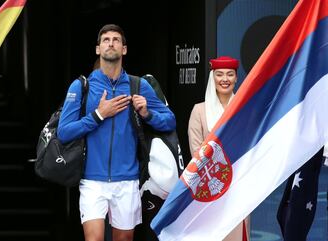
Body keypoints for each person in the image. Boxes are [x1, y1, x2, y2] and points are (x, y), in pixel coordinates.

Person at [57, 24, 176, 241]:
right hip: (92, 180)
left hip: (127, 180)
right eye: (105, 40)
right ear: (97, 49)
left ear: (124, 49)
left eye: (116, 40)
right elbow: (64, 133)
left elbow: (169, 121)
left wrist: (147, 113)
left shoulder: (138, 85)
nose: (110, 43)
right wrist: (98, 115)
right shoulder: (81, 86)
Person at [187, 56, 250, 241]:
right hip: (210, 185)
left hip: (238, 182)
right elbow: (196, 152)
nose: (225, 79)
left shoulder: (244, 109)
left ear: (236, 78)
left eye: (230, 74)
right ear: (212, 78)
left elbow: (249, 144)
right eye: (219, 74)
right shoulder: (199, 110)